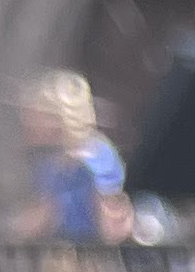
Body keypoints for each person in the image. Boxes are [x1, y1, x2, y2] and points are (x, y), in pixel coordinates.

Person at [13, 72, 130, 246]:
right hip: (56, 249)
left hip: (93, 251)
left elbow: (113, 219)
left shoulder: (98, 157)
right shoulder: (48, 164)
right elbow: (41, 213)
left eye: (37, 116)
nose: (29, 124)